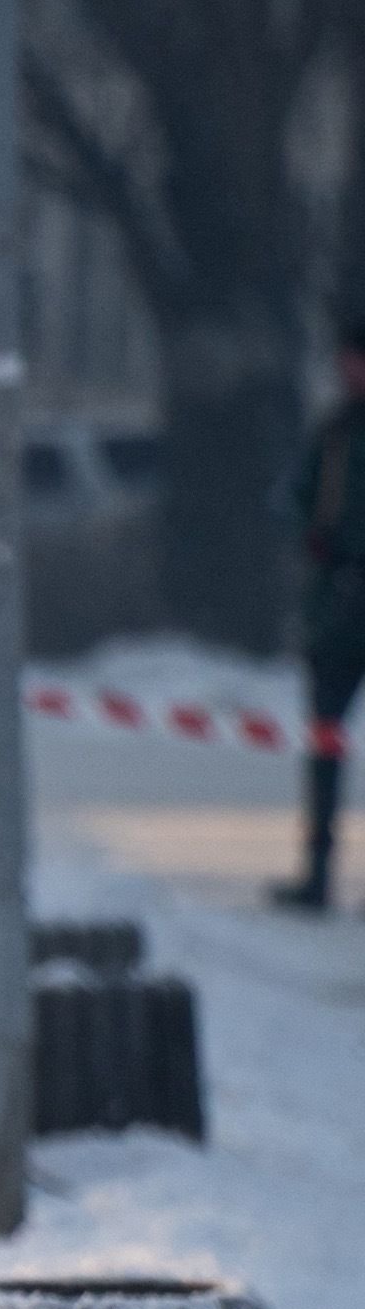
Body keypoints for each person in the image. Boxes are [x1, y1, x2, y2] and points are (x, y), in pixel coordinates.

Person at [286, 321, 365, 913]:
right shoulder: (335, 432)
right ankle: (317, 870)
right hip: (338, 607)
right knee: (325, 743)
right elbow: (293, 500)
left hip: (340, 600)